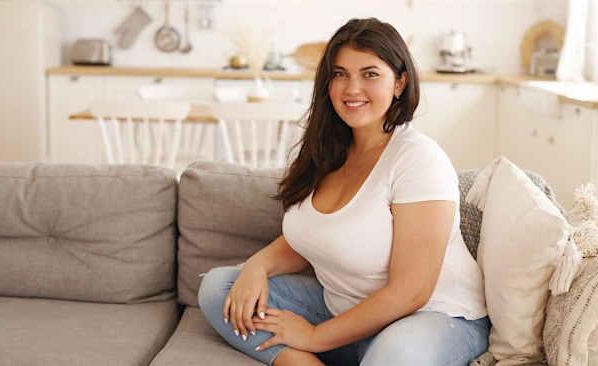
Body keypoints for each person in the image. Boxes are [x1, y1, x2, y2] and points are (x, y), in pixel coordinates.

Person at [198, 17, 489, 366]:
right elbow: (313, 237)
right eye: (340, 74)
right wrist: (256, 266)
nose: (352, 88)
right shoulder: (326, 151)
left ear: (400, 82)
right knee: (220, 288)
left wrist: (314, 336)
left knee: (395, 355)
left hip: (435, 317)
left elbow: (412, 292)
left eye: (370, 74)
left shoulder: (418, 159)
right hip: (343, 311)